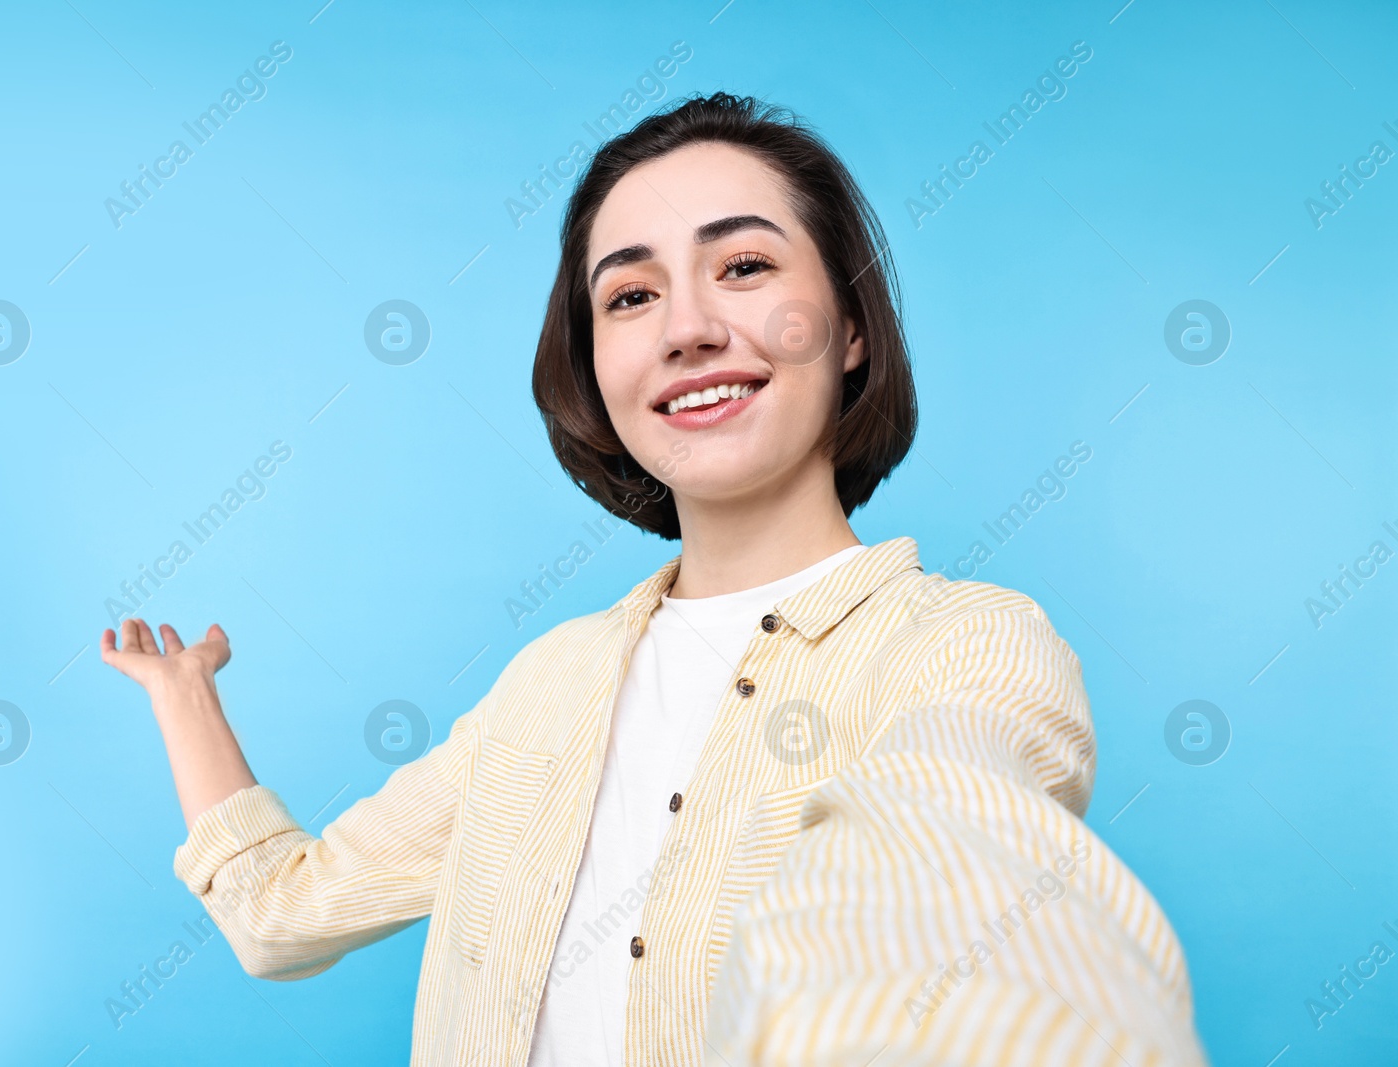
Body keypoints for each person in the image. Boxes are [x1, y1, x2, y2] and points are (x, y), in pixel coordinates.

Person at [101, 92, 1208, 1066]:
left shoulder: (968, 645)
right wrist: (186, 697)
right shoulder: (548, 682)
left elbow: (947, 863)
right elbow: (282, 911)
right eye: (629, 296)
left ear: (853, 328)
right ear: (593, 364)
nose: (687, 327)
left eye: (744, 266)